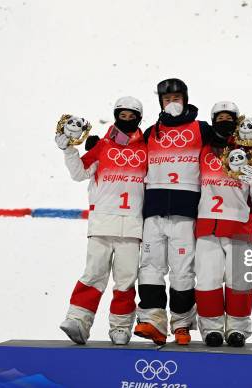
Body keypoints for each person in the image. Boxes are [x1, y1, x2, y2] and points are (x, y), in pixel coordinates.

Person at [134, 78, 220, 346]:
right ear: (160, 103)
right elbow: (125, 148)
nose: (172, 104)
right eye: (167, 100)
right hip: (154, 210)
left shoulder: (201, 129)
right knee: (150, 266)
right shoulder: (150, 132)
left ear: (185, 99)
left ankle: (182, 323)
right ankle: (152, 320)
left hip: (185, 211)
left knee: (183, 270)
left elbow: (225, 141)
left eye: (177, 99)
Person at [56, 96, 147, 345]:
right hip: (102, 223)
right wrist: (69, 149)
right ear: (116, 115)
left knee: (126, 279)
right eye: (122, 115)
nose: (126, 120)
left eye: (131, 116)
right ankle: (78, 320)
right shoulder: (103, 145)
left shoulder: (147, 147)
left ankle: (120, 327)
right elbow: (78, 173)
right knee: (94, 273)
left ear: (139, 118)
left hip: (132, 226)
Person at [194, 101, 252, 347]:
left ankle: (238, 328)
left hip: (238, 227)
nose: (224, 121)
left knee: (240, 281)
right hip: (208, 226)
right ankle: (211, 329)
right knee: (207, 280)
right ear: (213, 120)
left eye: (229, 117)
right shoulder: (203, 151)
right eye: (220, 117)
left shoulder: (250, 154)